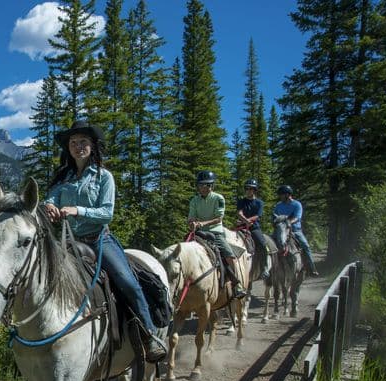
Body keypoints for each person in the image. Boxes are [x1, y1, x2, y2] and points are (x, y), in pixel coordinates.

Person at [44, 121, 167, 360]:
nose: (78, 146)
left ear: (92, 146)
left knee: (128, 282)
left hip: (99, 240)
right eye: (73, 142)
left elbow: (107, 212)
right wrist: (49, 205)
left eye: (83, 142)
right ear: (68, 148)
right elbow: (50, 198)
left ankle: (150, 334)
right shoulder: (64, 177)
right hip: (70, 242)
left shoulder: (104, 177)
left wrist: (78, 210)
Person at [187, 170, 247, 299]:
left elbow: (219, 218)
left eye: (207, 185)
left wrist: (202, 223)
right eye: (201, 185)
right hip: (198, 232)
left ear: (211, 186)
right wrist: (192, 223)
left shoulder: (218, 198)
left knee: (229, 255)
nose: (203, 188)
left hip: (215, 232)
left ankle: (237, 284)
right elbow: (191, 216)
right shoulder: (194, 200)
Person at [273, 184, 319, 276]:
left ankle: (311, 268)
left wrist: (288, 223)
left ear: (287, 194)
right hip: (281, 230)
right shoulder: (278, 206)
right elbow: (275, 217)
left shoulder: (297, 204)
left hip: (295, 230)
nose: (280, 196)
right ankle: (268, 269)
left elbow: (297, 217)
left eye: (281, 194)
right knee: (269, 244)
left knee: (305, 246)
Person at [236, 178, 271, 279]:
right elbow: (239, 213)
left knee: (262, 244)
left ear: (255, 190)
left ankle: (264, 267)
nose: (248, 190)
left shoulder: (259, 203)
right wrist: (245, 221)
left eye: (250, 189)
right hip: (241, 227)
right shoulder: (242, 201)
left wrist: (245, 221)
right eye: (246, 188)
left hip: (254, 228)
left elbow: (257, 216)